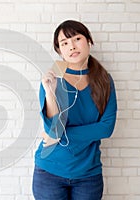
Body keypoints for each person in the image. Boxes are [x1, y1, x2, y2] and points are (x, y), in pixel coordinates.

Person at [32, 20, 117, 200]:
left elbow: (106, 128)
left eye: (77, 39)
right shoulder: (52, 80)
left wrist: (61, 135)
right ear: (59, 51)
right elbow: (52, 130)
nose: (71, 46)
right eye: (64, 43)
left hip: (88, 174)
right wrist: (49, 92)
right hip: (50, 171)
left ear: (89, 42)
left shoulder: (104, 81)